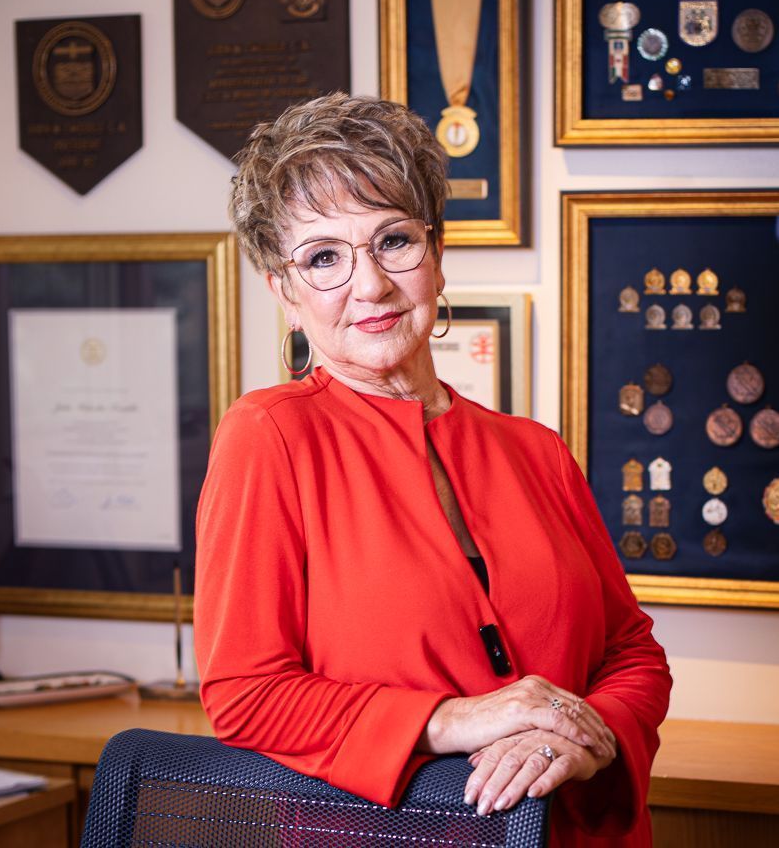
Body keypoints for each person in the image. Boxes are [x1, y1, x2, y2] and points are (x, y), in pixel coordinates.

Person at [194, 93, 671, 847]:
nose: (372, 285)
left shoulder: (537, 451)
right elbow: (246, 695)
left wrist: (590, 736)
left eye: (393, 242)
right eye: (324, 258)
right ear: (284, 293)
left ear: (437, 253)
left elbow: (632, 654)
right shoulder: (268, 437)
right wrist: (457, 719)